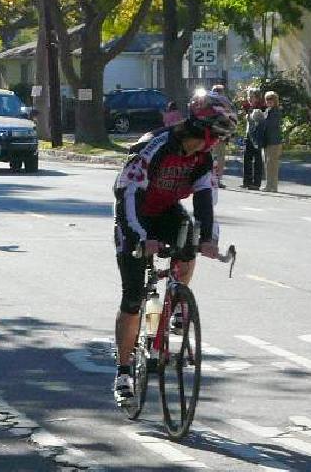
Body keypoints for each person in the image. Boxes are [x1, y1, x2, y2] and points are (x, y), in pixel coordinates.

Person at [112, 90, 237, 405]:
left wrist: (209, 239)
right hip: (135, 213)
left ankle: (176, 300)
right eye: (215, 136)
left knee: (191, 236)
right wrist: (141, 237)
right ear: (201, 128)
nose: (214, 145)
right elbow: (125, 193)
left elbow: (204, 199)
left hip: (166, 211)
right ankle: (123, 371)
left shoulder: (202, 157)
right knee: (132, 297)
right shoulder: (156, 146)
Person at [241, 88, 265, 190]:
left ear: (257, 97)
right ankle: (247, 181)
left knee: (257, 160)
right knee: (247, 159)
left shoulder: (261, 108)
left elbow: (260, 123)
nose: (249, 98)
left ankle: (256, 183)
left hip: (257, 136)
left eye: (251, 96)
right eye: (248, 96)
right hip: (248, 135)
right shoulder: (249, 107)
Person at [209, 84, 230, 188]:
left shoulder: (225, 104)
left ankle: (216, 179)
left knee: (217, 157)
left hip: (218, 135)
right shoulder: (209, 103)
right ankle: (213, 179)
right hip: (213, 135)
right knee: (214, 157)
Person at [262, 90, 283, 192]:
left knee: (273, 164)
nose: (269, 102)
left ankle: (273, 186)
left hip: (274, 141)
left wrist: (261, 120)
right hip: (267, 141)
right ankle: (268, 185)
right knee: (267, 164)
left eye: (271, 100)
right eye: (267, 100)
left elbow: (271, 125)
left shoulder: (276, 111)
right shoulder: (267, 111)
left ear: (275, 101)